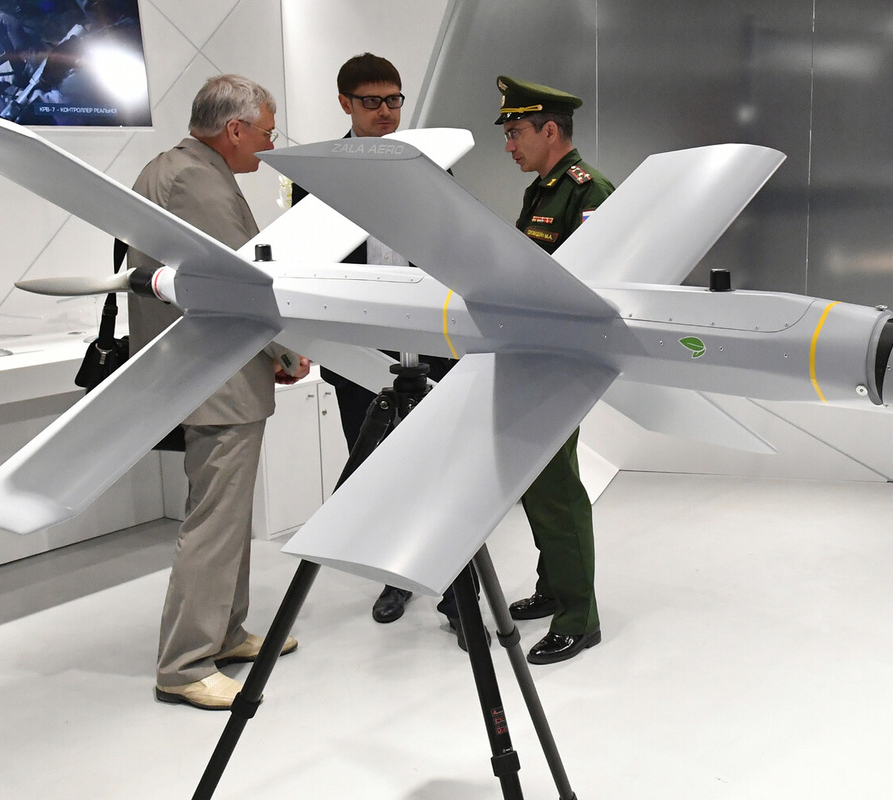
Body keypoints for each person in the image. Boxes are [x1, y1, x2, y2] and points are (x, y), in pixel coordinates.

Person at [127, 74, 310, 710]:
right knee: (213, 519)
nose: (269, 144)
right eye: (266, 132)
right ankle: (184, 664)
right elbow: (238, 287)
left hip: (212, 370)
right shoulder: (197, 182)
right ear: (235, 129)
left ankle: (226, 632)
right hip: (216, 375)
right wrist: (284, 351)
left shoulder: (171, 167)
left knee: (226, 516)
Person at [292, 53, 479, 648]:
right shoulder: (315, 173)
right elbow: (305, 261)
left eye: (394, 99)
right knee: (374, 463)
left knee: (444, 465)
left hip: (432, 337)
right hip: (357, 343)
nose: (386, 112)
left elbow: (457, 244)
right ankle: (396, 575)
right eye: (372, 102)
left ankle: (460, 594)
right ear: (344, 103)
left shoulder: (431, 164)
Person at [495, 75, 614, 665]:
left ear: (549, 130)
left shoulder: (588, 192)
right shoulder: (541, 192)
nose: (509, 144)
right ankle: (554, 587)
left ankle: (579, 617)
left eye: (516, 131)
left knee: (557, 490)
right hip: (534, 355)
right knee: (538, 484)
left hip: (562, 361)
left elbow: (595, 284)